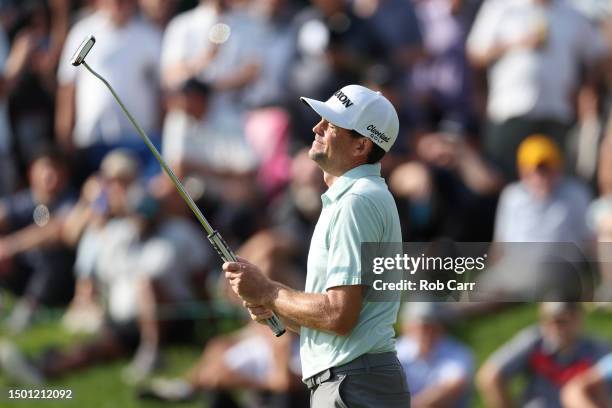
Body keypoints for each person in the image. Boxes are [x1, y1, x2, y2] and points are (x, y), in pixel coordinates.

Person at [222, 84, 411, 406]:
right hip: (351, 381)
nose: (316, 127)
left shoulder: (357, 201)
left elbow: (339, 315)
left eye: (331, 124)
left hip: (353, 383)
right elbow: (332, 320)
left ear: (361, 146)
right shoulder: (354, 198)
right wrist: (276, 307)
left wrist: (269, 291)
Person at [477, 302, 609, 408]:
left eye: (562, 321)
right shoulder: (534, 341)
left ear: (578, 319)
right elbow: (489, 376)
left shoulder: (598, 349)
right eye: (548, 320)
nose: (555, 327)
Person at [396, 303, 474, 408]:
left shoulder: (459, 352)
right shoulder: (394, 351)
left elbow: (454, 386)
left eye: (432, 327)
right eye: (421, 327)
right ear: (406, 328)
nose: (426, 332)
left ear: (441, 328)